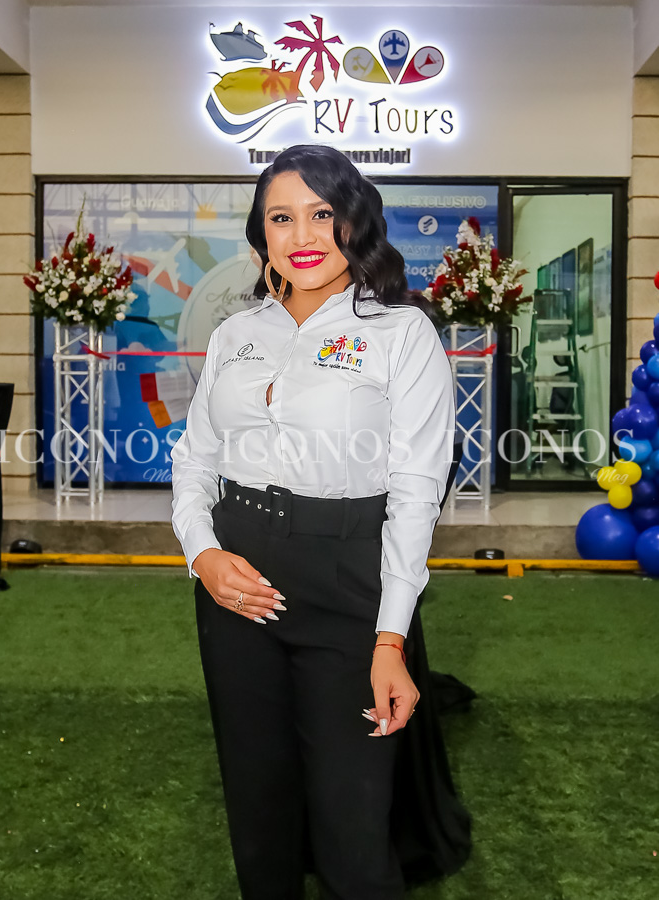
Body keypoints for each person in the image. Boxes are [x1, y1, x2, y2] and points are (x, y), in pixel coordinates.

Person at [171, 144, 472, 900]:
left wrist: (391, 639)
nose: (302, 236)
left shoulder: (400, 332)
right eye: (281, 217)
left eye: (321, 214)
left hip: (347, 583)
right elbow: (195, 459)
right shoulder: (237, 335)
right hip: (236, 582)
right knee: (258, 807)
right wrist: (203, 555)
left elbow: (416, 493)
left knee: (352, 824)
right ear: (261, 233)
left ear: (354, 221)